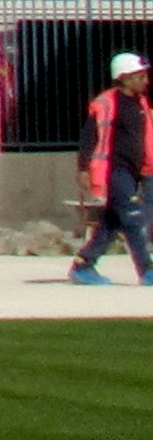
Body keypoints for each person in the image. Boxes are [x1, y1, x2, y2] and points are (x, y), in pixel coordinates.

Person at [77, 52, 153, 284]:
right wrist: (83, 169)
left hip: (139, 171)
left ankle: (84, 264)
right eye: (139, 77)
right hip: (115, 172)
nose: (145, 81)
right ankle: (147, 271)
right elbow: (89, 138)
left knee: (113, 220)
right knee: (132, 219)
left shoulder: (141, 103)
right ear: (124, 78)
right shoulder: (107, 103)